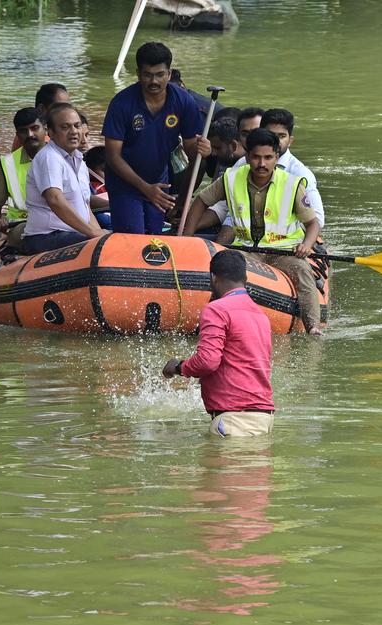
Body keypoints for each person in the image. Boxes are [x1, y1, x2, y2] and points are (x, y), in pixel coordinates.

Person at [182, 128, 323, 334]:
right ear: (247, 156)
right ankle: (216, 319)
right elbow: (201, 201)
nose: (262, 164)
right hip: (245, 250)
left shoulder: (292, 184)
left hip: (283, 251)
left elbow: (313, 224)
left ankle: (313, 328)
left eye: (268, 157)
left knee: (302, 271)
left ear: (276, 157)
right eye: (256, 157)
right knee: (225, 269)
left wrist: (306, 245)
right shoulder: (231, 178)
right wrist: (187, 237)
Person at [163, 250, 274, 438]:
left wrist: (179, 367)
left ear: (213, 277)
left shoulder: (216, 310)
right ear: (245, 278)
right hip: (264, 419)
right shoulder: (260, 315)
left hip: (234, 420)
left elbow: (208, 361)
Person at [103, 41, 210, 234]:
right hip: (125, 184)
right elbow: (112, 157)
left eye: (160, 75)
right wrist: (145, 189)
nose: (154, 81)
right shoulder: (121, 103)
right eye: (148, 75)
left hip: (159, 183)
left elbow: (192, 150)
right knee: (132, 238)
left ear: (169, 74)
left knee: (155, 241)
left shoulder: (183, 101)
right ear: (138, 74)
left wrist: (203, 150)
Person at [22, 102, 105, 253]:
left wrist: (100, 234)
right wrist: (93, 234)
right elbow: (55, 200)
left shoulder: (79, 160)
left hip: (75, 234)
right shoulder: (49, 157)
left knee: (108, 241)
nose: (74, 132)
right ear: (50, 132)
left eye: (77, 126)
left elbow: (86, 208)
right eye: (65, 127)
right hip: (46, 237)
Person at [0, 107, 46, 249]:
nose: (30, 134)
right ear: (17, 134)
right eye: (23, 131)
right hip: (22, 227)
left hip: (57, 222)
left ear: (46, 129)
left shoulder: (61, 156)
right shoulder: (7, 163)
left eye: (35, 128)